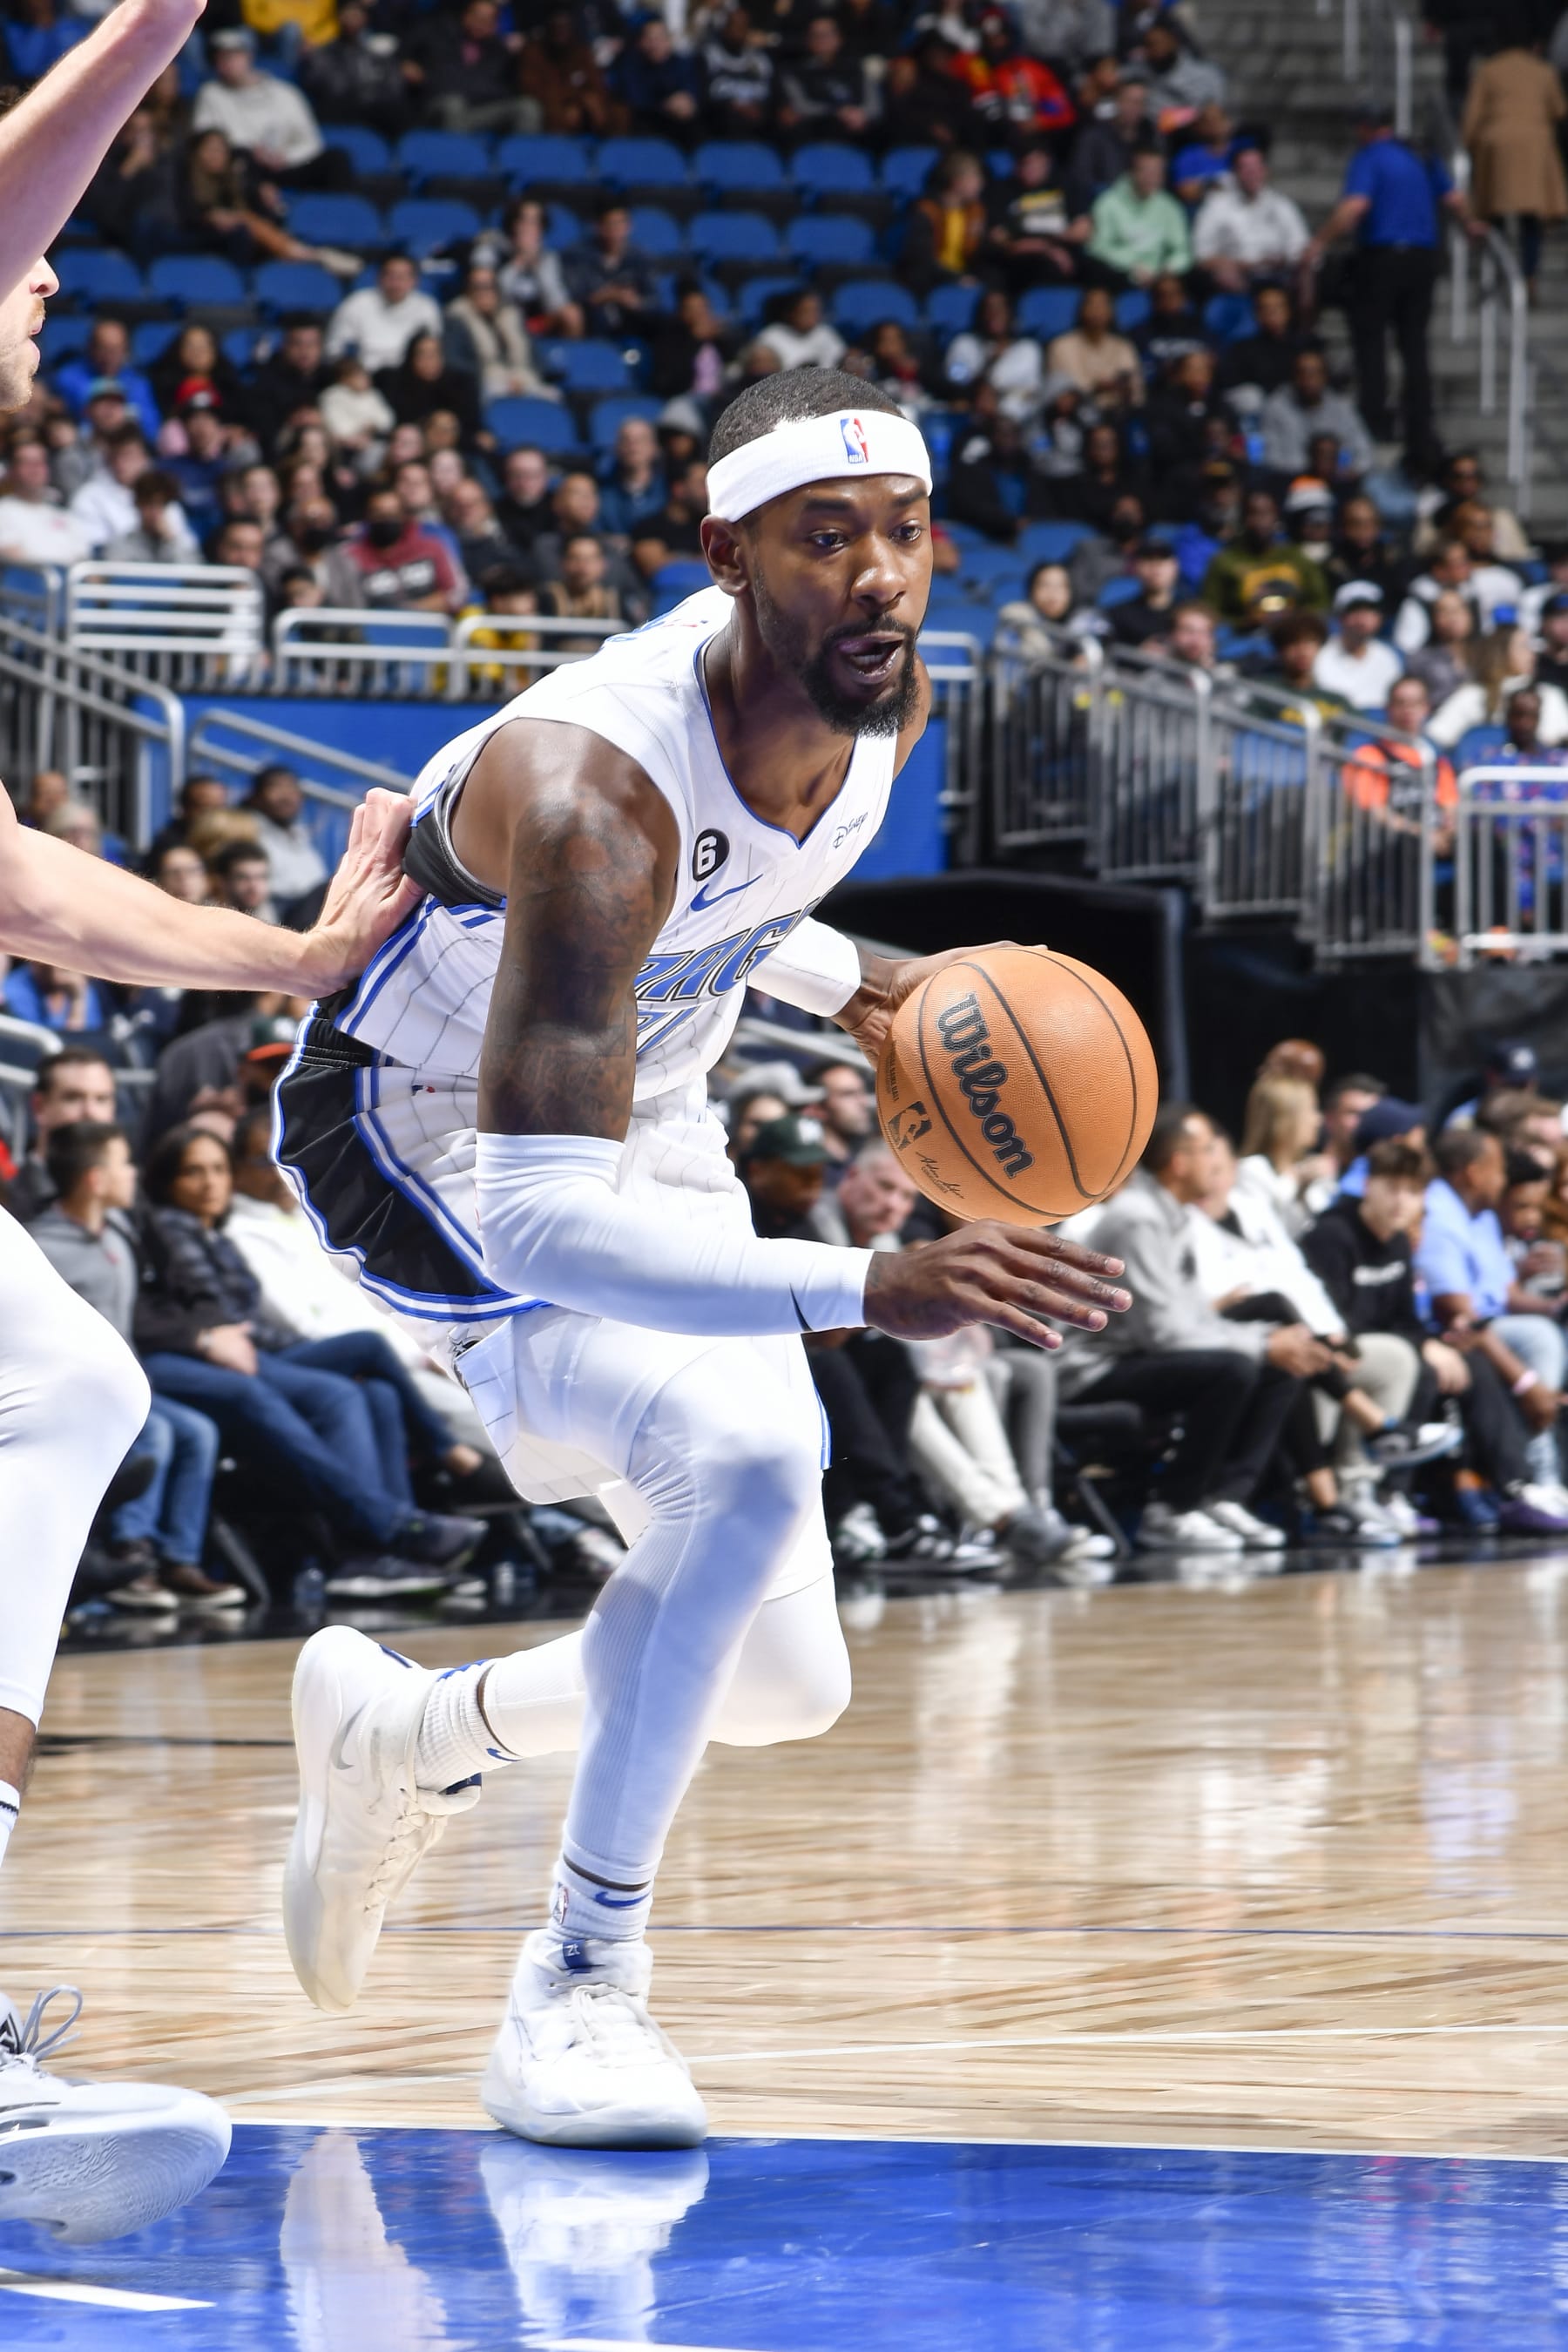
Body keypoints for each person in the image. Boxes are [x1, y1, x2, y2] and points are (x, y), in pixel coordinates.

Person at [273, 368, 1132, 2149]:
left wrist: (872, 982)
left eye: (902, 532)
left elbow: (740, 905)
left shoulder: (874, 718)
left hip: (640, 1125)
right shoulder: (594, 788)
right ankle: (580, 1982)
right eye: (829, 540)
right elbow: (535, 1215)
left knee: (781, 1683)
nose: (881, 574)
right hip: (434, 1141)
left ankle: (419, 1735)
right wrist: (863, 1286)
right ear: (727, 556)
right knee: (739, 1461)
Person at [1056, 1104, 1321, 1554]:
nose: (1216, 1161)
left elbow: (1195, 1318)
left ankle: (1223, 1497)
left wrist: (1266, 1343)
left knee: (1278, 1361)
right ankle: (1171, 1509)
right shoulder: (1137, 1219)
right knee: (1235, 1367)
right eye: (1205, 1150)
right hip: (1093, 1369)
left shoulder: (1172, 1214)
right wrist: (1259, 1344)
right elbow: (1161, 1333)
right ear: (1178, 1163)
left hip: (1138, 1354)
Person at [29, 1119, 241, 1613]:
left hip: (128, 1383)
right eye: (124, 1163)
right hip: (76, 1391)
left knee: (198, 1433)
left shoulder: (120, 1231)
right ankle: (132, 1552)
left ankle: (179, 1560)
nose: (134, 1173)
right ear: (95, 1180)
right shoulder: (47, 1247)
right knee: (157, 1433)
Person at [1304, 105, 1477, 479]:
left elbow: (1356, 206)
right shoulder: (1420, 156)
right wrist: (1471, 225)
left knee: (1371, 340)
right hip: (1423, 259)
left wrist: (1319, 241)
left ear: (1365, 127)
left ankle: (1376, 417)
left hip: (1382, 257)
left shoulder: (1369, 158)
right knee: (1414, 344)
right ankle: (1419, 419)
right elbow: (1455, 199)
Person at [1415, 1127, 1568, 1523]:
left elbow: (1502, 1294)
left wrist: (1554, 1305)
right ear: (1473, 1171)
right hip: (1443, 1336)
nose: (1502, 1181)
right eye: (1498, 1169)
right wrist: (1526, 1384)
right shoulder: (1439, 1217)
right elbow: (1460, 1317)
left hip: (1482, 1328)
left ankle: (1541, 1475)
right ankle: (1532, 1479)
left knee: (1545, 1330)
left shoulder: (1474, 1216)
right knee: (1538, 1340)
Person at [1461, 32, 1565, 290]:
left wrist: (1468, 145)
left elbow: (1472, 117)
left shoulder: (1488, 70)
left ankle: (1497, 273)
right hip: (1535, 147)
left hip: (1496, 146)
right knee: (1531, 218)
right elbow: (1560, 109)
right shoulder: (1543, 71)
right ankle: (1529, 275)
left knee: (1493, 216)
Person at [1191, 143, 1309, 292]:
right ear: (1234, 173)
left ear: (1265, 171)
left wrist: (1284, 259)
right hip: (1235, 275)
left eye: (1256, 168)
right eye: (1245, 168)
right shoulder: (1216, 205)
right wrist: (1230, 264)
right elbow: (1201, 252)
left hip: (1276, 276)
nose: (1251, 173)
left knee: (1305, 275)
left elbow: (1300, 246)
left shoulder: (1282, 205)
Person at [327, 253, 443, 377]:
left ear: (414, 281)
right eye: (391, 276)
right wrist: (351, 372)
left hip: (410, 378)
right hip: (364, 376)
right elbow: (335, 348)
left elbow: (432, 350)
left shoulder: (426, 307)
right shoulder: (356, 303)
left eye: (402, 277)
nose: (396, 283)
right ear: (379, 278)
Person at [1313, 583, 1403, 712]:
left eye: (1370, 610)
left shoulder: (1389, 658)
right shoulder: (1321, 653)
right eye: (1354, 611)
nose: (1362, 619)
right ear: (1341, 617)